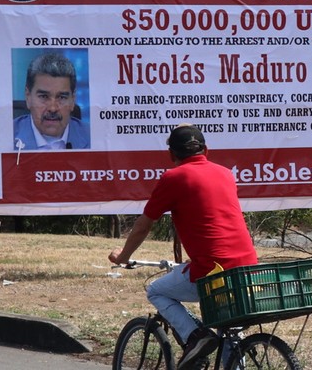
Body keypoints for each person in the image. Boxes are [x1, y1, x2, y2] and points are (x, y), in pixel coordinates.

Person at [108, 124, 258, 370]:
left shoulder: (173, 177)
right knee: (227, 329)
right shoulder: (224, 174)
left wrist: (123, 257)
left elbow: (143, 226)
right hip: (246, 268)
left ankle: (196, 336)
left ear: (171, 155)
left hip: (212, 272)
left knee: (157, 290)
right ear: (206, 150)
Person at [12, 52, 90, 150]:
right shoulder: (5, 137)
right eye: (44, 96)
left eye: (62, 97)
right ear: (28, 97)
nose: (53, 108)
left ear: (73, 99)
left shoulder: (93, 137)